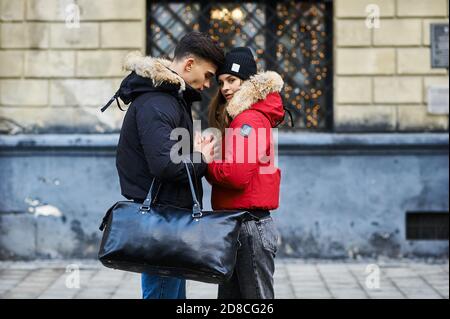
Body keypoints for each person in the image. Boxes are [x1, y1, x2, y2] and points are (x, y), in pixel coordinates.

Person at [107, 32, 224, 299]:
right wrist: (202, 158)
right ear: (190, 64)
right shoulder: (158, 101)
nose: (208, 85)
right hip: (162, 221)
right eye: (208, 75)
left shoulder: (169, 98)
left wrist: (193, 149)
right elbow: (165, 165)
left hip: (168, 218)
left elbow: (169, 155)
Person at [206, 47, 284, 299]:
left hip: (249, 228)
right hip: (241, 225)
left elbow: (236, 175)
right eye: (221, 82)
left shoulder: (248, 120)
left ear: (248, 82)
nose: (225, 88)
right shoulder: (246, 118)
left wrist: (206, 163)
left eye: (232, 80)